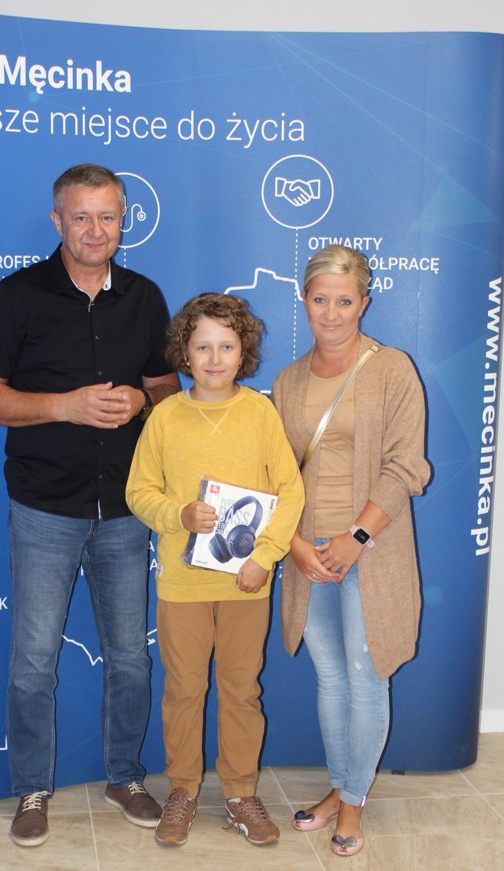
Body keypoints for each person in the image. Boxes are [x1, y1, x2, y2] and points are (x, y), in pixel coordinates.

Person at [0, 164, 180, 847]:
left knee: (131, 659)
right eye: (81, 217)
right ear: (57, 220)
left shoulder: (144, 296)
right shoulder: (19, 294)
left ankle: (125, 776)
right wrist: (65, 405)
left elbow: (168, 388)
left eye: (107, 217)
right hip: (44, 510)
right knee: (33, 661)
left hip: (126, 510)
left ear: (124, 220)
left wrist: (141, 398)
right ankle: (31, 788)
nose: (95, 230)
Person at [125, 293, 304, 848]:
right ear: (184, 352)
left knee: (241, 690)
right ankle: (181, 790)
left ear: (243, 352)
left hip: (246, 584)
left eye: (226, 346)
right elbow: (139, 492)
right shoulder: (165, 417)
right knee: (183, 689)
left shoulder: (260, 413)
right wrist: (177, 514)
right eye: (202, 347)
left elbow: (291, 490)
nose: (214, 358)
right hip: (182, 585)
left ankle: (240, 793)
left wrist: (265, 557)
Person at [271, 244, 431, 858]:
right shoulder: (287, 383)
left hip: (372, 549)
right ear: (303, 300)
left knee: (366, 676)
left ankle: (354, 804)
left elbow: (406, 466)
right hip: (308, 552)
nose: (332, 313)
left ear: (364, 302)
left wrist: (355, 538)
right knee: (331, 677)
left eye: (344, 301)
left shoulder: (392, 369)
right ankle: (339, 786)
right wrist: (294, 545)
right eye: (320, 299)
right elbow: (275, 477)